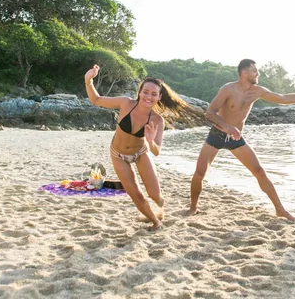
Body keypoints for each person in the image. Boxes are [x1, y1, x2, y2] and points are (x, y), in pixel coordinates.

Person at [189, 59, 295, 221]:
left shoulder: (257, 91)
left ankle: (280, 210)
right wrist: (227, 127)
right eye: (255, 71)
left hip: (236, 138)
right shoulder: (228, 89)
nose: (257, 74)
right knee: (199, 173)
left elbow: (283, 98)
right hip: (217, 135)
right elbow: (210, 112)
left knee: (259, 171)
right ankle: (193, 207)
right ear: (244, 73)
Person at [84, 65, 206, 231]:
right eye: (146, 92)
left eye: (153, 94)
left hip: (141, 153)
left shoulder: (157, 120)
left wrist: (150, 140)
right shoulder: (125, 103)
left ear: (159, 97)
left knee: (155, 195)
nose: (149, 96)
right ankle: (155, 221)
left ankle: (161, 206)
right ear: (140, 92)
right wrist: (88, 80)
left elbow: (156, 151)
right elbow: (96, 100)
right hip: (118, 155)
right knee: (136, 195)